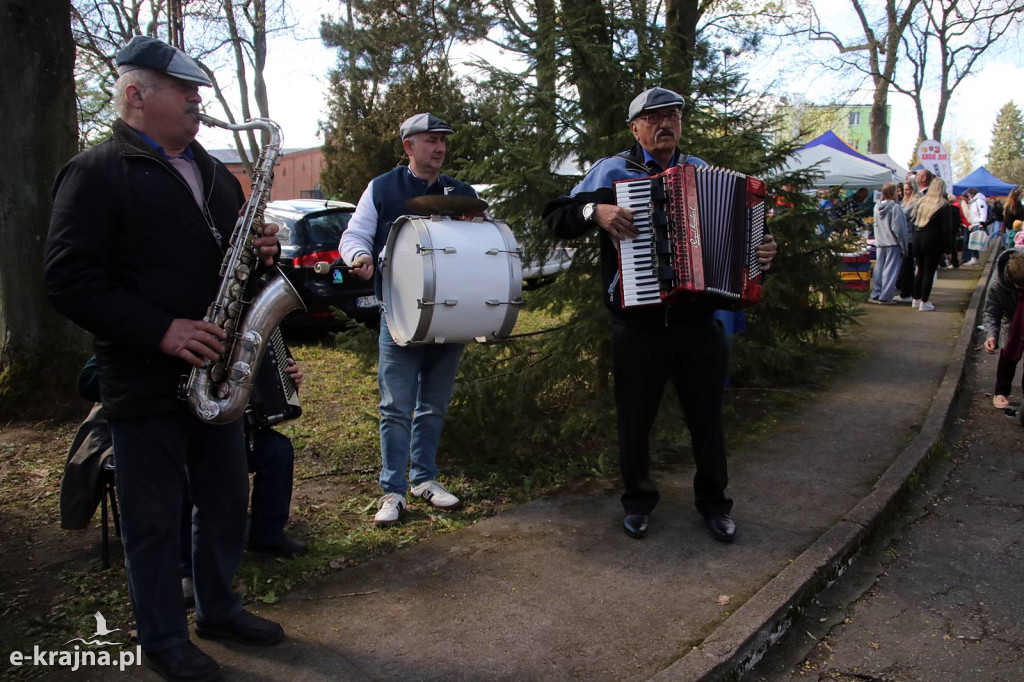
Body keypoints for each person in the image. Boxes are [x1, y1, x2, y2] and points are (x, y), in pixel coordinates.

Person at [44, 36, 285, 681]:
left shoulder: (210, 169)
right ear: (135, 95)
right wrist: (160, 330)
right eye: (185, 91)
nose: (198, 102)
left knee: (228, 497)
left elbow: (240, 268)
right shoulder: (93, 172)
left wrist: (265, 250)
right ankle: (161, 640)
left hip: (217, 374)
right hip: (145, 377)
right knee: (153, 519)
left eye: (199, 91)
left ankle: (218, 608)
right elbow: (67, 278)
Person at [541, 87, 778, 542]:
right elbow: (556, 214)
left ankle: (714, 504)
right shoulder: (612, 171)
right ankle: (637, 502)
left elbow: (752, 238)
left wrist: (765, 251)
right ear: (635, 128)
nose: (664, 122)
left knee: (707, 419)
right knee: (635, 418)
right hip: (638, 324)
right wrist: (596, 210)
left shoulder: (704, 172)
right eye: (653, 117)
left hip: (698, 323)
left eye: (672, 115)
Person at [338, 113, 476, 526]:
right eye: (431, 140)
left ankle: (424, 479)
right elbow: (354, 235)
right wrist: (359, 257)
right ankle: (392, 491)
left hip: (450, 313)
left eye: (443, 141)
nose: (439, 148)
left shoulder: (461, 193)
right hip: (398, 311)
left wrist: (479, 226)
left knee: (433, 404)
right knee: (396, 406)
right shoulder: (382, 188)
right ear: (408, 146)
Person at [982, 249, 1024, 414]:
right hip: (1011, 316)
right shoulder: (997, 284)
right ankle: (1001, 392)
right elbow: (991, 311)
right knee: (1008, 351)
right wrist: (991, 335)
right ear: (1012, 283)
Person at [911, 177, 953, 312]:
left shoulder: (921, 202)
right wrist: (948, 248)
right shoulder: (943, 205)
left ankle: (916, 299)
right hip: (933, 240)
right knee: (929, 271)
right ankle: (924, 301)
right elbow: (947, 229)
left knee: (920, 270)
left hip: (918, 237)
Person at [870, 183, 909, 304]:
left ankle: (876, 293)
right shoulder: (896, 208)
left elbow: (875, 225)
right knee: (890, 271)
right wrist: (904, 247)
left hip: (880, 243)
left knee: (878, 270)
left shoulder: (876, 207)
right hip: (893, 243)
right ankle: (886, 296)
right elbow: (899, 229)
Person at [964, 187, 988, 266]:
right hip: (974, 223)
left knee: (975, 241)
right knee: (973, 241)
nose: (968, 197)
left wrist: (981, 222)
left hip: (977, 223)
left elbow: (983, 211)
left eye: (969, 195)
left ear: (972, 194)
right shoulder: (973, 202)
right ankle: (974, 258)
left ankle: (974, 258)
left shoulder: (979, 201)